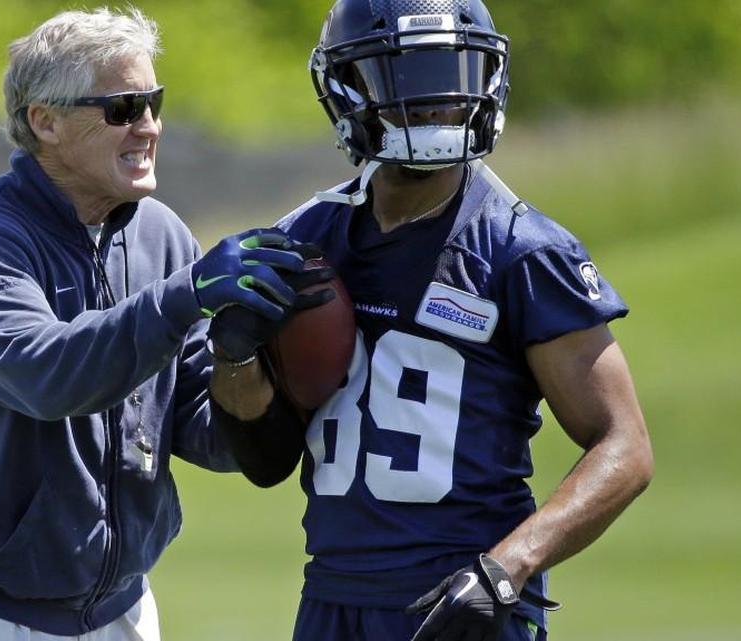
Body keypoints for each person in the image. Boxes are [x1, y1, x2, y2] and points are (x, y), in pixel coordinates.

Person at [210, 1, 655, 640]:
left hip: (463, 596)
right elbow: (264, 457)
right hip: (332, 597)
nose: (435, 98)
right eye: (406, 76)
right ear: (351, 89)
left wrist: (508, 568)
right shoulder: (305, 238)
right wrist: (236, 357)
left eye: (449, 69)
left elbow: (625, 446)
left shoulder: (520, 249)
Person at [0, 8, 324, 641]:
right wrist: (185, 298)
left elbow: (205, 430)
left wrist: (253, 362)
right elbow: (47, 376)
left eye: (154, 102)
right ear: (46, 121)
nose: (150, 127)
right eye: (124, 108)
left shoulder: (162, 234)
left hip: (122, 604)